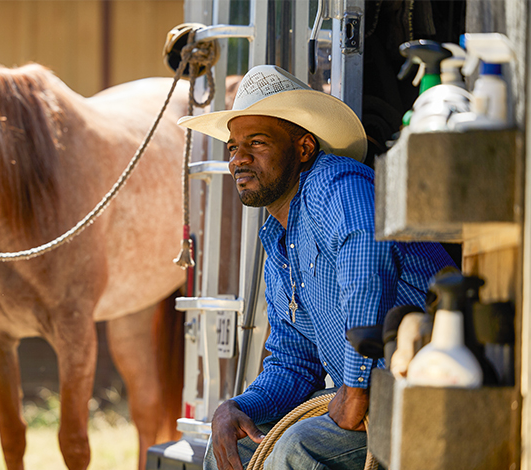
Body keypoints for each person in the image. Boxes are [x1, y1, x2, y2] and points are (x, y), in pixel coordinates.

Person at [178, 65, 456, 470]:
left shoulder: (334, 181)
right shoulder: (277, 240)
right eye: (234, 147)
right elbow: (293, 363)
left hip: (424, 389)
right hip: (369, 400)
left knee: (298, 448)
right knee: (228, 446)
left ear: (305, 148)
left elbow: (365, 249)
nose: (240, 159)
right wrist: (238, 407)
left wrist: (356, 385)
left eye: (257, 142)